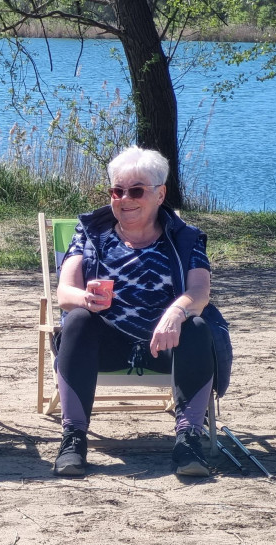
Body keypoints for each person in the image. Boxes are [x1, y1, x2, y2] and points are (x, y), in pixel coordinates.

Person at [53, 145, 215, 478]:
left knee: (197, 326)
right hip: (104, 346)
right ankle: (73, 439)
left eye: (136, 191)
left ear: (160, 194)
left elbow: (199, 291)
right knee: (79, 319)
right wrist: (86, 299)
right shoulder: (91, 232)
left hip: (165, 344)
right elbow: (64, 293)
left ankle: (189, 441)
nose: (125, 199)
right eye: (117, 190)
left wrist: (176, 312)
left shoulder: (185, 237)